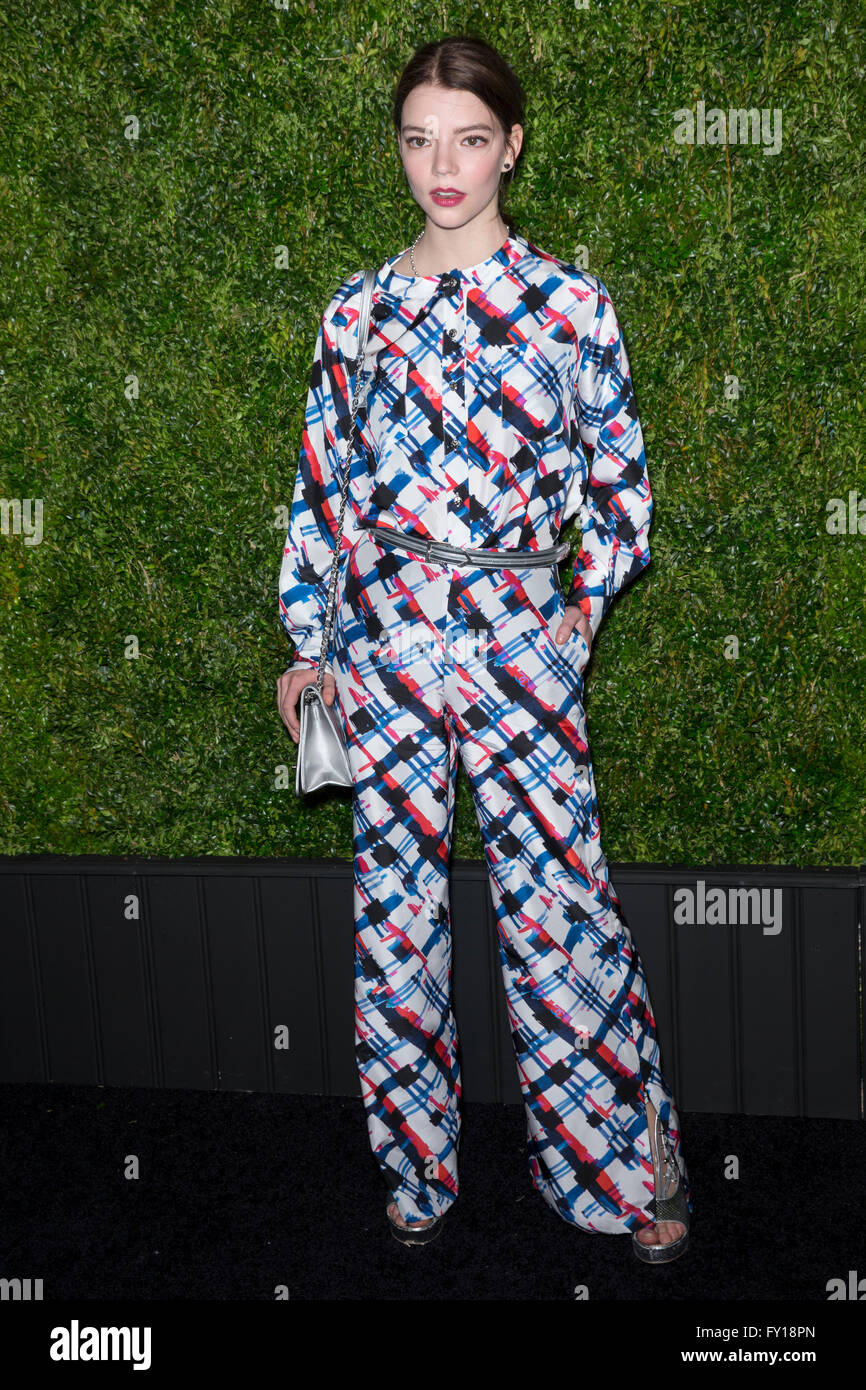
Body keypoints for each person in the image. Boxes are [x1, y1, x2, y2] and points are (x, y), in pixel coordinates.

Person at [277, 33, 692, 1262]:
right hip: (385, 636)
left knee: (559, 911)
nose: (439, 167)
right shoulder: (355, 313)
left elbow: (618, 488)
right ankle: (414, 1168)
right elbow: (320, 488)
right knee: (394, 920)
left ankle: (619, 1170)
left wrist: (577, 614)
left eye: (466, 139)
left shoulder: (570, 304)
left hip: (520, 642)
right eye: (417, 139)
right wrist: (309, 641)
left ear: (509, 144)